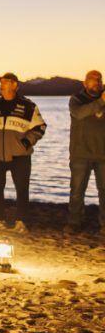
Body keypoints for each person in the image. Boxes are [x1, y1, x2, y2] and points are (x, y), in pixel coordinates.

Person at [0, 72, 46, 233]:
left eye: (5, 82)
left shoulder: (28, 106)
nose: (1, 85)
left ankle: (21, 222)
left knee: (22, 189)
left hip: (20, 156)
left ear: (15, 85)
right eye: (0, 83)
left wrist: (26, 143)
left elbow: (39, 127)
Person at [66, 70, 105, 234]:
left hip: (103, 155)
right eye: (92, 80)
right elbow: (80, 113)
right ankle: (74, 223)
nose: (95, 82)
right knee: (76, 193)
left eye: (98, 80)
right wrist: (101, 101)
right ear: (85, 83)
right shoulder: (77, 99)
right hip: (80, 154)